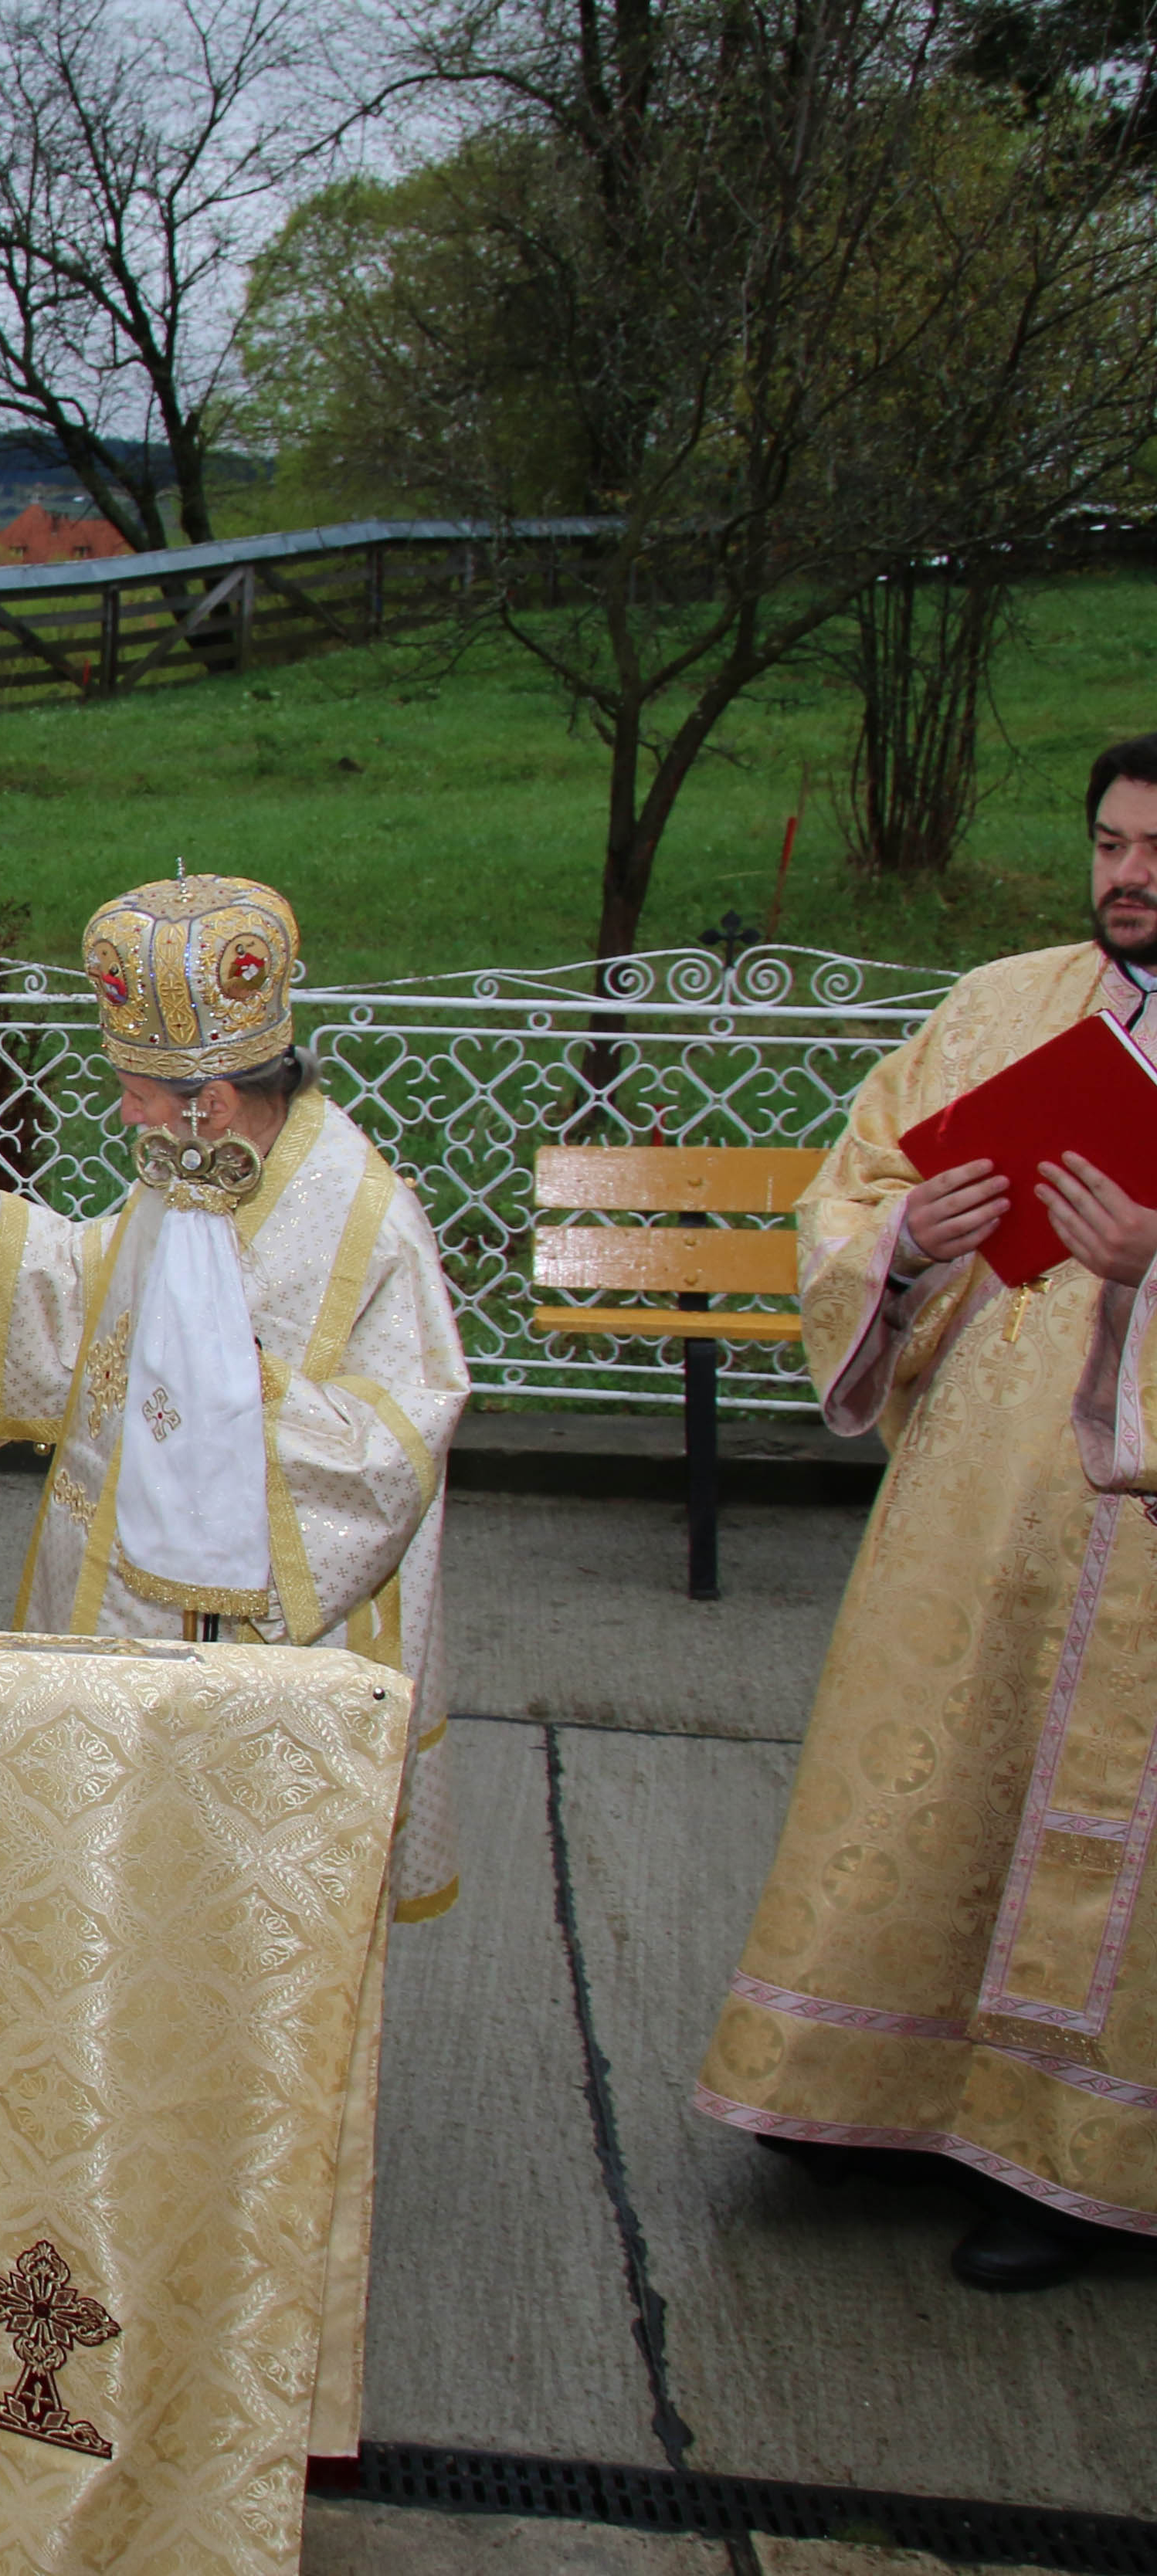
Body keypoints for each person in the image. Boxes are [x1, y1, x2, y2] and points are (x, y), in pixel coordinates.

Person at [693, 734, 1157, 2293]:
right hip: (972, 1508)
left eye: (1156, 852)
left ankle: (1075, 2169)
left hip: (1140, 1534)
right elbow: (850, 1186)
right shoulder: (1002, 1005)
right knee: (934, 1782)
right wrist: (906, 1236)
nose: (1129, 877)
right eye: (1109, 845)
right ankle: (864, 2085)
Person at [0, 873, 467, 1917]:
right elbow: (107, 1286)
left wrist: (230, 1396)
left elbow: (401, 1438)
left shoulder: (362, 1221)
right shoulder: (190, 1165)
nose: (123, 1109)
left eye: (136, 1088)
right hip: (120, 1587)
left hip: (265, 1629)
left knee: (239, 1905)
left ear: (207, 1097)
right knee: (112, 1882)